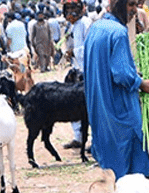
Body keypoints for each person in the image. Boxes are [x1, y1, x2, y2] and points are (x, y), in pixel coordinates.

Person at [82, 0, 149, 179]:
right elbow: (122, 74)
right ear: (117, 4)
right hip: (121, 108)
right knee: (135, 167)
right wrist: (141, 83)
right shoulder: (119, 33)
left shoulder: (95, 27)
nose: (134, 11)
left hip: (100, 108)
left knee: (111, 166)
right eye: (130, 5)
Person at [62, 0, 91, 151]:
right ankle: (77, 137)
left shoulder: (86, 23)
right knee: (73, 104)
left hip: (86, 70)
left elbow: (89, 48)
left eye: (73, 8)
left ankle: (94, 141)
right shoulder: (72, 26)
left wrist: (74, 52)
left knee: (89, 106)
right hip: (76, 69)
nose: (70, 13)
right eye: (68, 9)